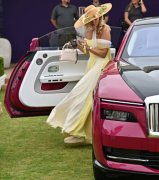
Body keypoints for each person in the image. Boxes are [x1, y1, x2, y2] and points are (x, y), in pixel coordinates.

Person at [47, 3, 113, 145]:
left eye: (95, 18)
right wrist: (78, 45)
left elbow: (103, 53)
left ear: (100, 17)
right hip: (92, 64)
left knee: (84, 94)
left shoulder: (106, 29)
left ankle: (78, 130)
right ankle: (78, 131)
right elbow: (87, 52)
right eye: (90, 19)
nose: (93, 21)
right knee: (82, 95)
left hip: (102, 66)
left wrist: (88, 46)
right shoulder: (89, 30)